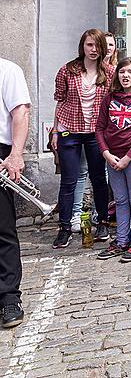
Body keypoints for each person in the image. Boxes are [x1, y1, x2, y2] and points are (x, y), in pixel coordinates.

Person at [50, 29, 114, 249]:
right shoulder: (68, 70)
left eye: (97, 46)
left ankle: (103, 222)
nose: (94, 50)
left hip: (96, 133)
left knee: (98, 179)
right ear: (82, 46)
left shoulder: (110, 72)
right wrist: (56, 132)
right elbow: (59, 101)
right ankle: (65, 228)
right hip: (70, 130)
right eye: (89, 45)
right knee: (69, 179)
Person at [95, 57, 131, 264]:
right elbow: (100, 128)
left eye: (130, 72)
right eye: (122, 72)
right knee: (120, 199)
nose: (125, 76)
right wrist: (106, 153)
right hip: (112, 156)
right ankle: (121, 240)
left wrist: (128, 158)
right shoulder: (109, 98)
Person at [0, 57, 31, 328]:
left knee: (2, 230)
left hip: (1, 151)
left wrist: (15, 155)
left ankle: (9, 297)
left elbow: (20, 112)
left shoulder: (7, 69)